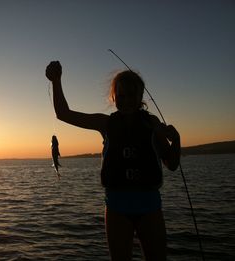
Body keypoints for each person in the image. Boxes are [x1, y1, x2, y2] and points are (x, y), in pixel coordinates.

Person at [45, 61, 180, 261]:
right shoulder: (106, 123)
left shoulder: (152, 124)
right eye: (121, 96)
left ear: (140, 97)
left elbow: (172, 164)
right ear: (114, 97)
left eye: (131, 96)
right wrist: (56, 81)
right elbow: (63, 113)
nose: (126, 101)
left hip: (150, 207)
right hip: (117, 208)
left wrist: (176, 140)